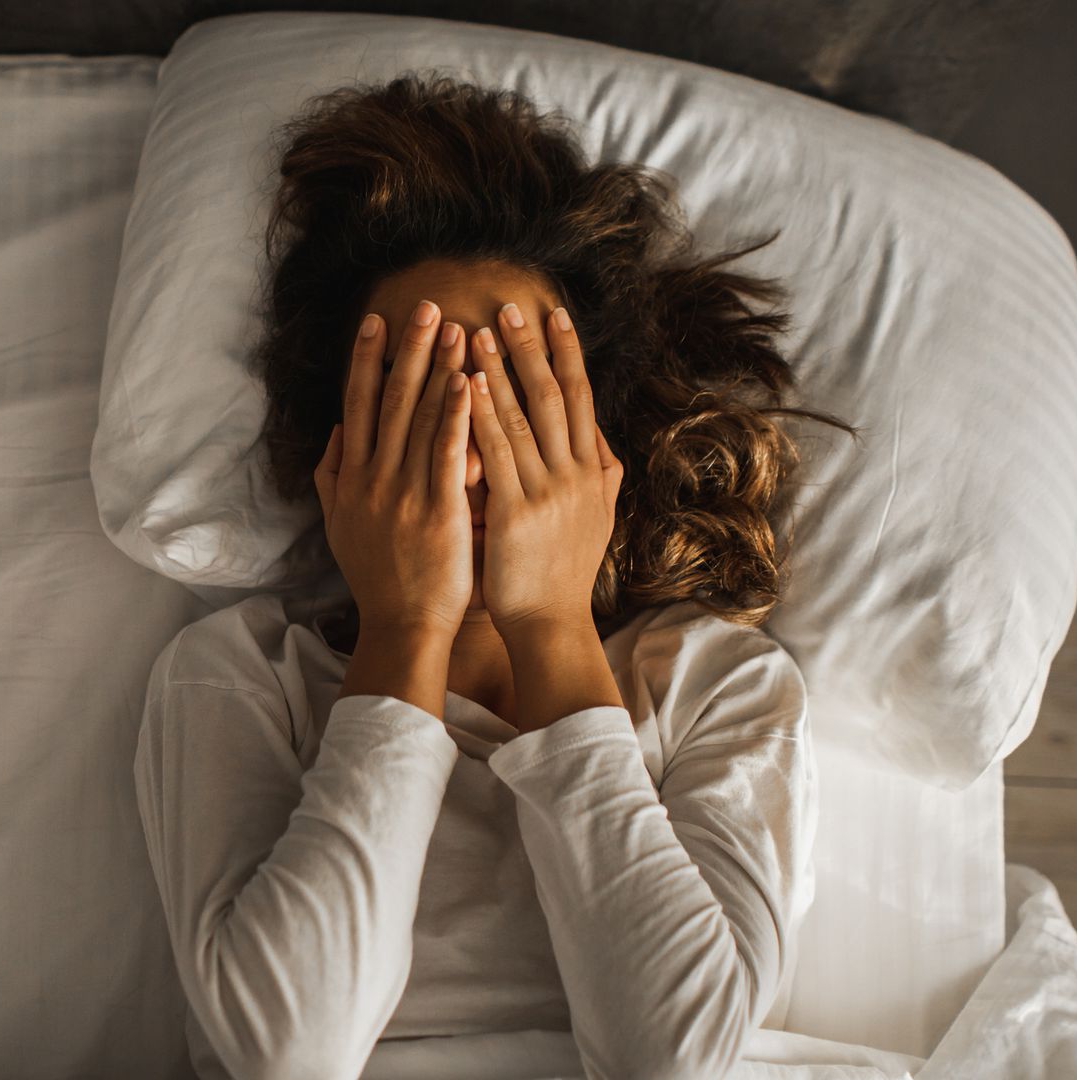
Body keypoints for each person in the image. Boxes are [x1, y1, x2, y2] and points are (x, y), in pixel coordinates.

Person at [132, 72, 862, 1080]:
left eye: (519, 395)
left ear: (596, 445)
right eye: (417, 398)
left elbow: (676, 1061)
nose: (471, 455)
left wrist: (552, 623)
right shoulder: (241, 676)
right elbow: (289, 1051)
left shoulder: (714, 684)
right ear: (338, 451)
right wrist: (404, 633)